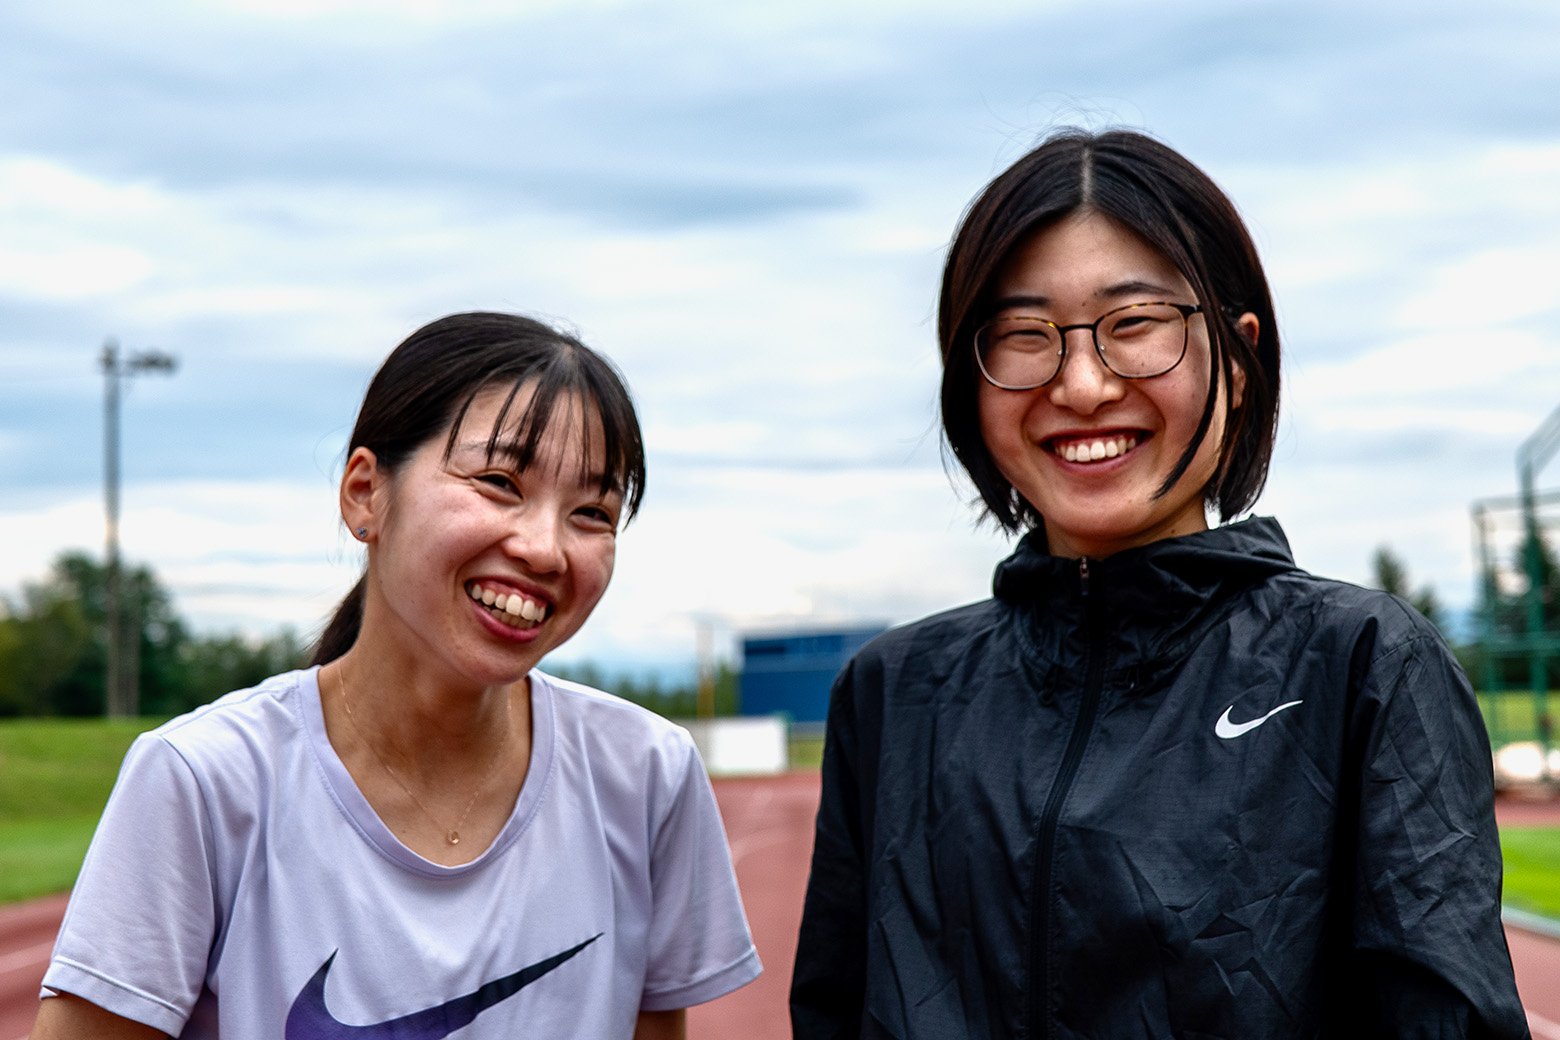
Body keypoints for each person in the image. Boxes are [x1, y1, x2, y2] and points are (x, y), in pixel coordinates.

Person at [791, 130, 1529, 1039]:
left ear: (1241, 358)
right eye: (1024, 336)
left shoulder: (1365, 666)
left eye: (1135, 325)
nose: (1084, 383)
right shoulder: (893, 692)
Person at [33, 312, 760, 1040]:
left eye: (592, 512)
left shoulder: (646, 779)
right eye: (500, 482)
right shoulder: (203, 783)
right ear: (364, 494)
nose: (545, 549)